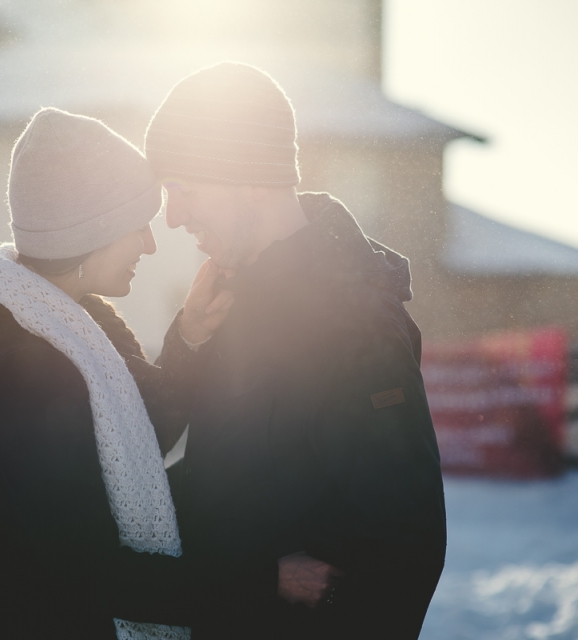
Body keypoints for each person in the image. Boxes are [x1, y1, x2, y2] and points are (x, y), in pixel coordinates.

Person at [0, 107, 330, 639]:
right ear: (87, 234)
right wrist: (261, 580)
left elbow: (144, 427)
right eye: (137, 227)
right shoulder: (16, 359)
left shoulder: (76, 316)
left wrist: (190, 336)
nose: (151, 245)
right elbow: (91, 571)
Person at [142, 62, 448, 639]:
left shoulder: (355, 327)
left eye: (183, 189)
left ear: (250, 178)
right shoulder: (236, 300)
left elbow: (403, 555)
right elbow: (214, 484)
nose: (173, 216)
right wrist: (188, 343)